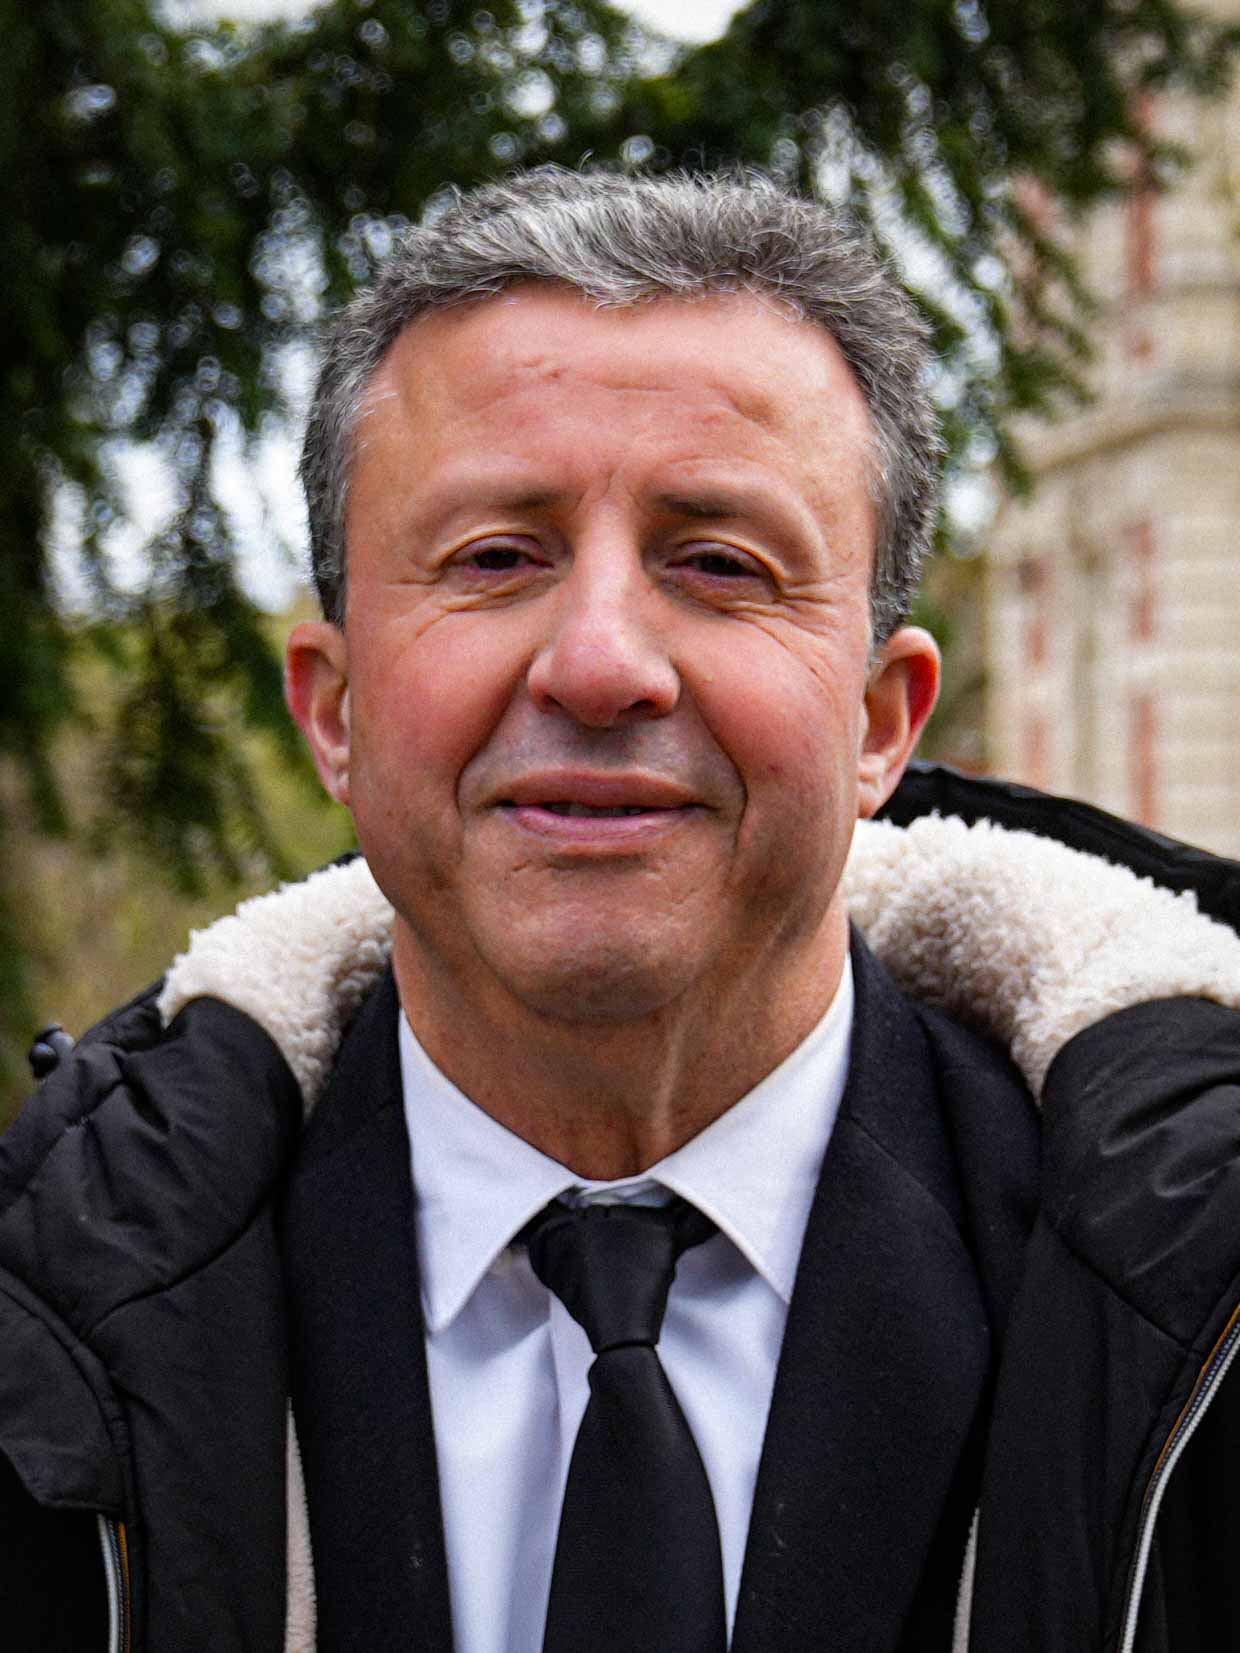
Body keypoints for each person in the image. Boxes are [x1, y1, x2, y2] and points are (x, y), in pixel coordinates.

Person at [4, 167, 1240, 1653]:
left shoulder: (1198, 1313)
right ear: (334, 710)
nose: (599, 665)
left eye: (719, 564)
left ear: (881, 722)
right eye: (496, 559)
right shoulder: (47, 1328)